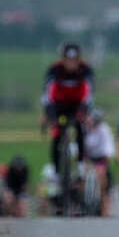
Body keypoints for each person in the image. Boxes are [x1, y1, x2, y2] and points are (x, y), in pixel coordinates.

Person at [41, 42, 94, 175]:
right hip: (58, 106)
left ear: (79, 59)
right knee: (57, 135)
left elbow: (88, 95)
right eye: (68, 60)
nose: (71, 64)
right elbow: (47, 95)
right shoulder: (54, 70)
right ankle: (56, 171)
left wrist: (85, 113)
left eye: (74, 60)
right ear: (63, 59)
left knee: (80, 128)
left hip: (77, 105)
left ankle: (81, 165)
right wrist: (48, 115)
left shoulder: (86, 70)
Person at [83, 106, 115, 216]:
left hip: (101, 158)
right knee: (81, 175)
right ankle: (81, 200)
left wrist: (106, 158)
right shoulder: (84, 130)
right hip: (88, 158)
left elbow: (108, 147)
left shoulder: (104, 129)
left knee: (101, 174)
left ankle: (103, 203)